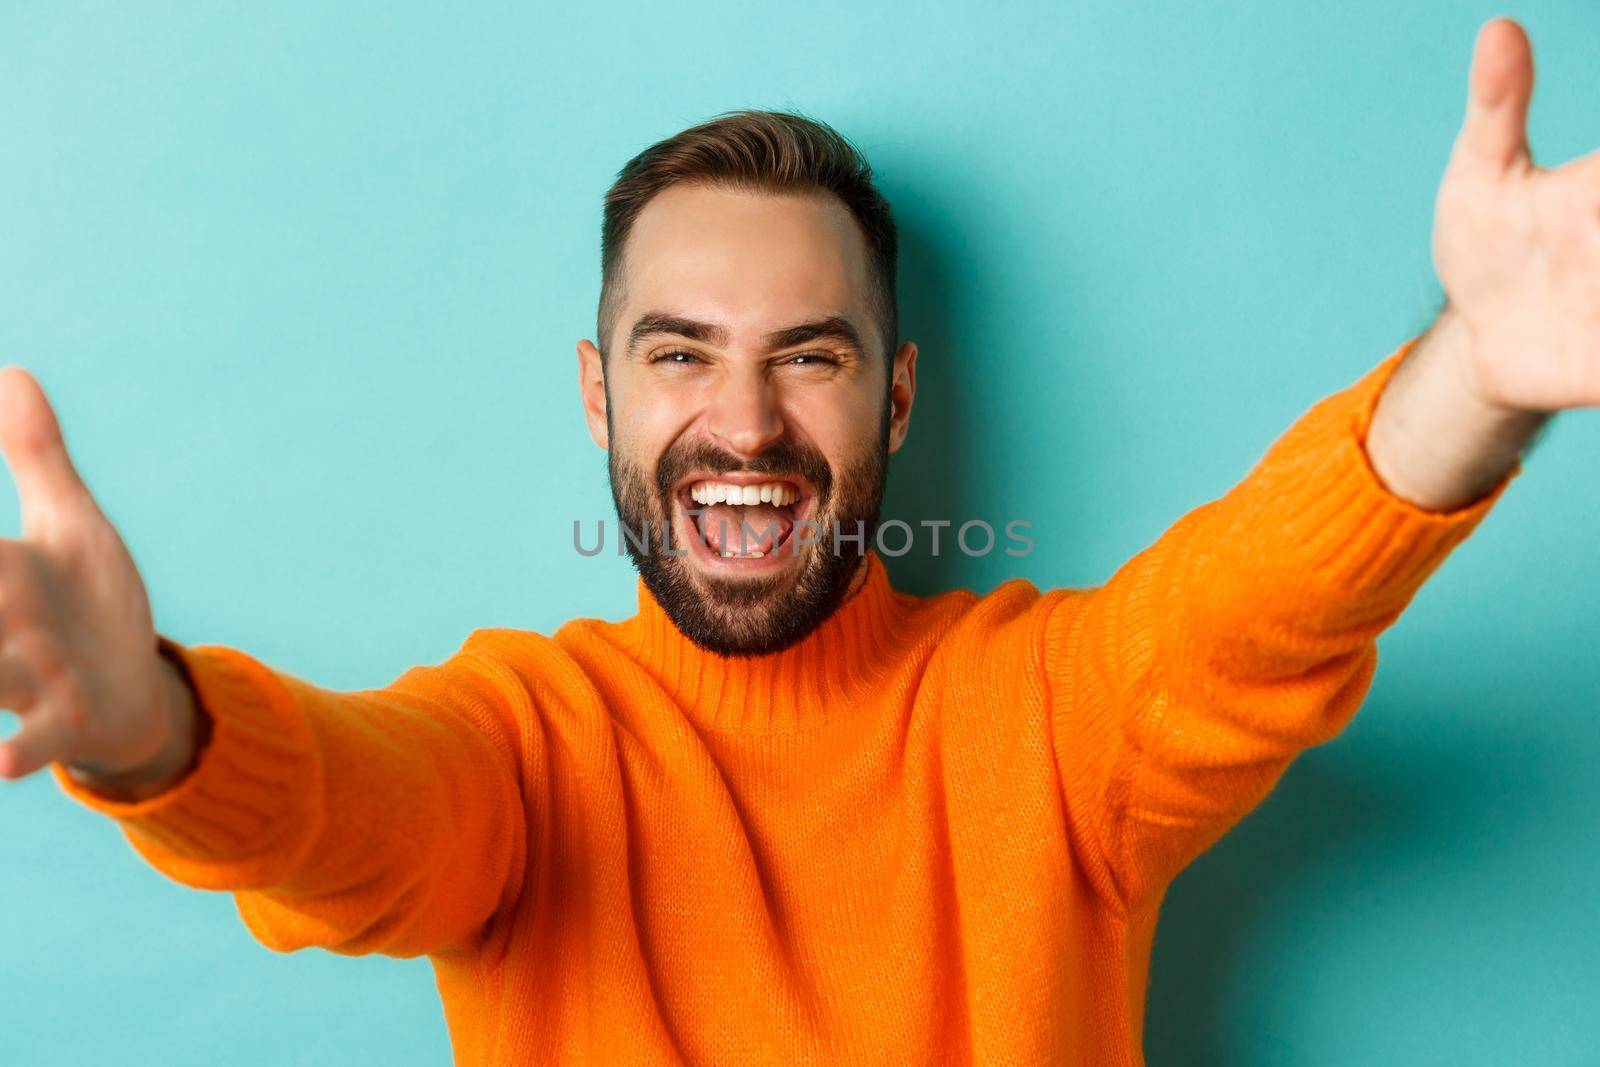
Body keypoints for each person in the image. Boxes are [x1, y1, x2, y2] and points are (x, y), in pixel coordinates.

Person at [0, 15, 1584, 1065]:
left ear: (895, 401)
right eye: (679, 353)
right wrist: (153, 730)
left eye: (809, 356)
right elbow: (348, 814)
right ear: (597, 396)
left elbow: (1250, 608)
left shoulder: (1043, 721)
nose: (745, 425)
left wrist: (1479, 377)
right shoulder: (528, 748)